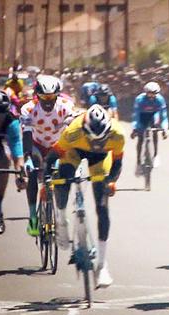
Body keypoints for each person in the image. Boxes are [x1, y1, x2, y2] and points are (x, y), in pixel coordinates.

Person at [44, 104, 125, 288]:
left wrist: (111, 181)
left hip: (101, 160)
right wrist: (47, 180)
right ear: (83, 128)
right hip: (74, 153)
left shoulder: (118, 134)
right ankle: (62, 220)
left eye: (101, 139)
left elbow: (118, 164)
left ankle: (103, 266)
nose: (96, 143)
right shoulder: (73, 131)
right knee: (62, 180)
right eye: (92, 138)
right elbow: (52, 157)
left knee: (102, 207)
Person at [20, 75, 75, 236]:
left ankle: (59, 214)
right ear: (37, 95)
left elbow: (71, 131)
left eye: (51, 97)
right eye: (44, 97)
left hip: (57, 146)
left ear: (57, 95)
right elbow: (27, 134)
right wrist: (28, 157)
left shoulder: (66, 106)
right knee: (32, 174)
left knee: (60, 176)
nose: (48, 101)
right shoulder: (28, 109)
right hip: (37, 145)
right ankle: (33, 219)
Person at [0, 88, 27, 234]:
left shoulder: (11, 121)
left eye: (1, 114)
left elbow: (17, 150)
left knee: (4, 163)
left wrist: (21, 173)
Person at [131, 82, 168, 175]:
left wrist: (164, 129)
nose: (151, 95)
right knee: (140, 138)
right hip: (142, 116)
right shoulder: (139, 99)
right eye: (149, 93)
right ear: (145, 92)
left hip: (153, 116)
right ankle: (139, 161)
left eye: (154, 93)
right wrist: (135, 128)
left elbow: (163, 115)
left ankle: (155, 155)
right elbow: (136, 115)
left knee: (155, 128)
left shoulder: (160, 100)